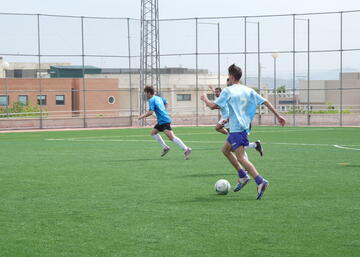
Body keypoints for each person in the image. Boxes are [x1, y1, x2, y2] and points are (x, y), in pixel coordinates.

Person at [201, 64, 286, 200]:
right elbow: (265, 102)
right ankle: (242, 175)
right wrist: (278, 116)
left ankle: (260, 181)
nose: (228, 77)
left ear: (232, 76)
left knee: (240, 157)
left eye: (228, 75)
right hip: (244, 127)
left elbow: (212, 106)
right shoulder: (248, 90)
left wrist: (204, 98)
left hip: (237, 128)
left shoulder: (228, 91)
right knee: (225, 150)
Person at [208, 82, 263, 157]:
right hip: (229, 119)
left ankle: (252, 149)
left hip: (231, 119)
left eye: (218, 92)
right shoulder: (224, 96)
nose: (216, 93)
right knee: (235, 144)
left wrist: (205, 100)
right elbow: (216, 95)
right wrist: (211, 88)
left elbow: (215, 106)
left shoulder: (226, 97)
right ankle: (254, 145)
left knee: (238, 146)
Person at [138, 86, 192, 160]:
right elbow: (166, 102)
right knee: (153, 133)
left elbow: (150, 112)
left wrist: (141, 116)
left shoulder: (151, 100)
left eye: (146, 93)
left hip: (164, 120)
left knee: (172, 137)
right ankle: (165, 147)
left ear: (149, 93)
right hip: (161, 121)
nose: (145, 95)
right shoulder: (158, 98)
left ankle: (186, 149)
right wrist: (164, 111)